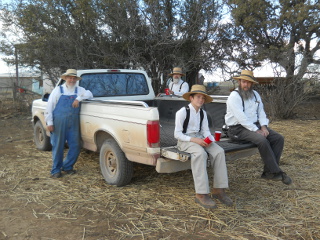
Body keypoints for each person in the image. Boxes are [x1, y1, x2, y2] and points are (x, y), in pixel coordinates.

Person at [225, 70, 292, 185]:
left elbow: (261, 112)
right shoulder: (234, 96)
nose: (246, 85)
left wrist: (264, 127)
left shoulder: (255, 94)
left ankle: (268, 172)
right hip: (237, 129)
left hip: (254, 126)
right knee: (261, 139)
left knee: (278, 138)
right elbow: (241, 118)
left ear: (252, 84)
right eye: (243, 82)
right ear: (239, 82)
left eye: (248, 82)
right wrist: (257, 130)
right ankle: (276, 172)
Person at [174, 84, 233, 209]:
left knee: (219, 152)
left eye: (203, 98)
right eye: (198, 97)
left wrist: (209, 139)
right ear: (191, 98)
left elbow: (205, 131)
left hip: (199, 138)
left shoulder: (203, 114)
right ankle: (201, 194)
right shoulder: (182, 112)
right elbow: (177, 134)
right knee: (200, 154)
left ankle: (219, 190)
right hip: (185, 140)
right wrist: (194, 140)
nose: (201, 100)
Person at [45, 69, 93, 178]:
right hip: (59, 121)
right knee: (58, 146)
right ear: (65, 78)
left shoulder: (79, 90)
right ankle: (56, 170)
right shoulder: (58, 90)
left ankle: (67, 166)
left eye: (74, 78)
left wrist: (78, 99)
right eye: (70, 78)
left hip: (73, 122)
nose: (72, 80)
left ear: (76, 79)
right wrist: (49, 122)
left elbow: (90, 94)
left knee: (76, 145)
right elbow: (49, 107)